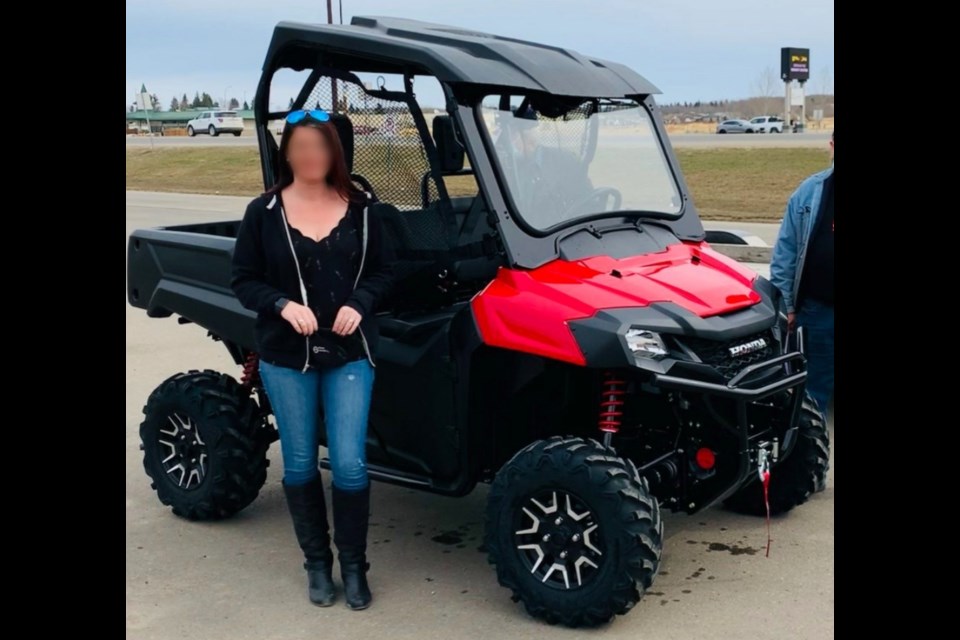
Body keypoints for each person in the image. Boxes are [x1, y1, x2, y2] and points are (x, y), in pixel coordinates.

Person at [231, 109, 395, 610]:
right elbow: (243, 280)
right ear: (287, 153)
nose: (311, 157)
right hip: (286, 356)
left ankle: (353, 566)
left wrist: (358, 303)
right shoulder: (263, 212)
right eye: (300, 147)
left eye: (320, 148)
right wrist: (281, 304)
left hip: (350, 353)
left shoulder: (365, 210)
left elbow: (386, 273)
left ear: (335, 153)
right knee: (300, 462)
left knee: (348, 464)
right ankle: (317, 566)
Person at [770, 130, 833, 419]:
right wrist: (787, 306)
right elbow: (786, 253)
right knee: (813, 387)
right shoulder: (811, 192)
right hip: (818, 310)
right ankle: (811, 445)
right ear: (831, 146)